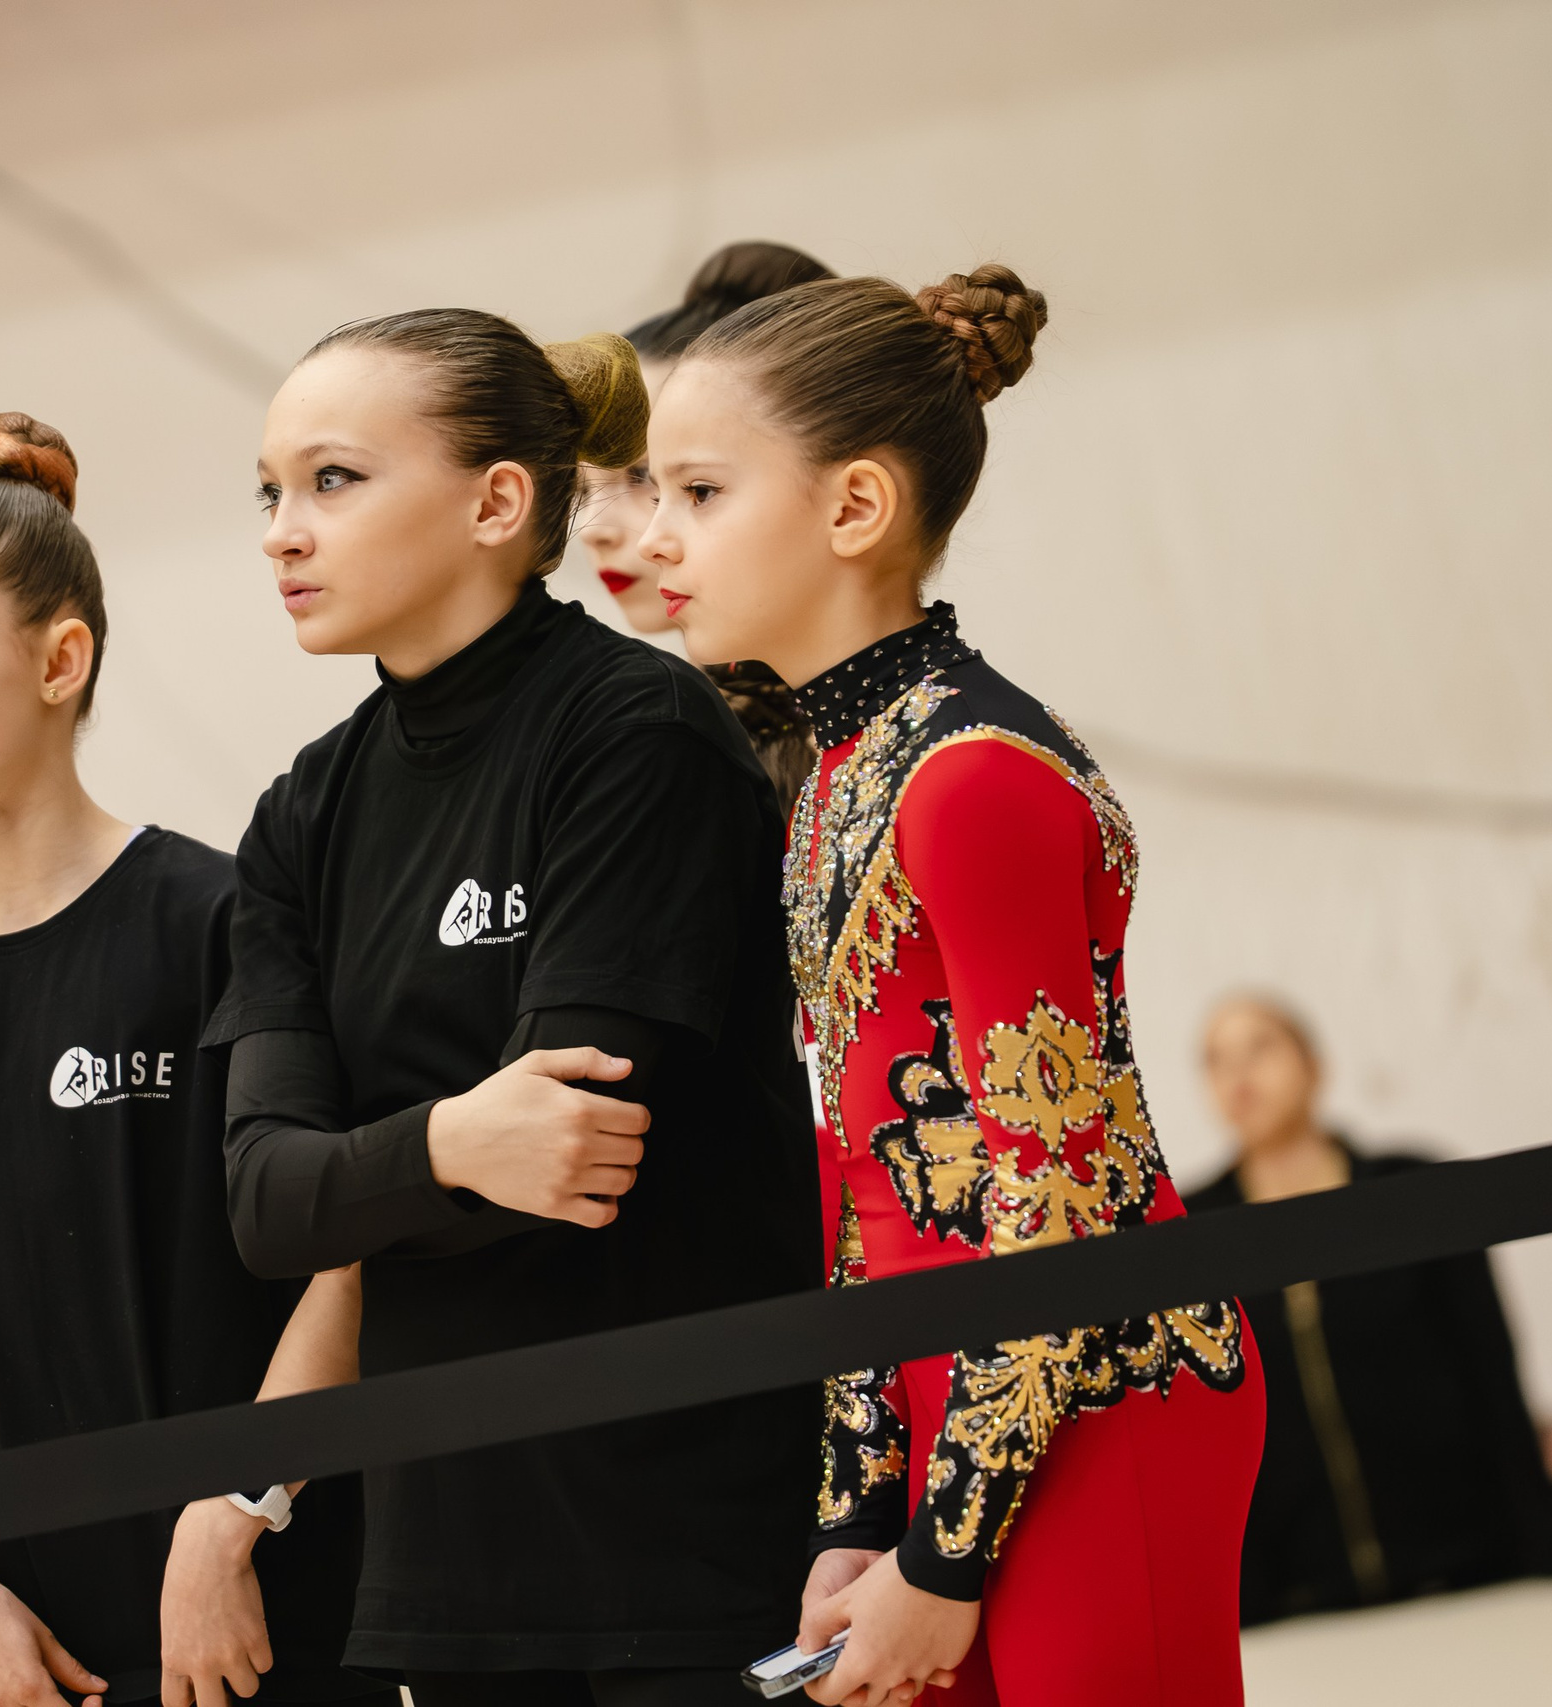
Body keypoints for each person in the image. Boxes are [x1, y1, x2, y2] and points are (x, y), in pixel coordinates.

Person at [638, 265, 1264, 1707]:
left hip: (1100, 1402)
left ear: (854, 509)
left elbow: (1060, 1201)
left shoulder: (970, 775)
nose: (655, 535)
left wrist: (947, 1548)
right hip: (952, 1419)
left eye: (700, 493)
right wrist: (862, 1516)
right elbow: (869, 1195)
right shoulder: (832, 785)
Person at [212, 310, 823, 1704]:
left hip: (692, 1537)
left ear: (497, 501)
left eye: (333, 480)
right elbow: (261, 1200)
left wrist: (368, 1166)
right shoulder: (301, 814)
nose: (281, 533)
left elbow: (568, 1143)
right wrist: (440, 1146)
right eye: (269, 490)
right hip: (448, 1563)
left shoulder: (636, 732)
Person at [0, 417, 387, 1707]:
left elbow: (352, 1259)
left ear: (59, 658)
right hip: (31, 1656)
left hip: (273, 1612)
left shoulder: (227, 923)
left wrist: (234, 1517)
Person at [1187, 993, 1552, 1623]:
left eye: (1261, 1047)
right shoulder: (1193, 1231)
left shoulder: (1413, 1188)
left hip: (1464, 1573)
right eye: (1216, 1059)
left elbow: (1490, 1368)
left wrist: (1539, 1542)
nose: (1239, 1074)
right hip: (1300, 1605)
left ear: (1313, 1065)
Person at [580, 242, 831, 804]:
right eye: (582, 488)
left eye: (641, 476)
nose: (591, 530)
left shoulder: (926, 754)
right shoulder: (631, 742)